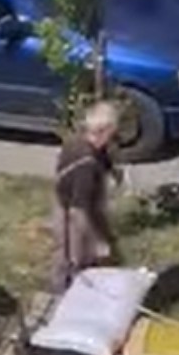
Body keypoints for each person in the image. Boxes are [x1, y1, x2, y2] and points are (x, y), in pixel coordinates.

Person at [50, 100, 123, 293]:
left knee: (104, 248)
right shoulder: (86, 166)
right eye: (112, 133)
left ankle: (95, 288)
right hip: (73, 213)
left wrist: (112, 170)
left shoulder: (77, 140)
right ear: (104, 131)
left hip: (79, 203)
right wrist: (97, 241)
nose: (113, 138)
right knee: (75, 258)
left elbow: (102, 155)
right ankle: (65, 297)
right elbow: (78, 212)